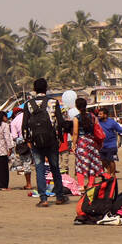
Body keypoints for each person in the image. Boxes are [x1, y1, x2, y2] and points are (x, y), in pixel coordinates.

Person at [22, 79, 70, 207]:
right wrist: (60, 139)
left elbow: (25, 124)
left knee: (39, 168)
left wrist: (28, 140)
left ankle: (43, 199)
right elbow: (60, 122)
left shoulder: (28, 104)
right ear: (46, 88)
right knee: (55, 168)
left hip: (36, 142)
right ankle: (59, 197)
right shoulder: (53, 102)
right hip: (52, 141)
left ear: (34, 89)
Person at [72, 97, 105, 183]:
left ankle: (81, 185)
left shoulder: (76, 118)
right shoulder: (93, 116)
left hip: (82, 142)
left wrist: (73, 144)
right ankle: (91, 184)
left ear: (76, 107)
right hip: (92, 142)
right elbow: (97, 128)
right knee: (92, 163)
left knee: (80, 164)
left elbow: (75, 133)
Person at [97, 107, 122, 177]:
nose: (99, 115)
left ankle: (113, 174)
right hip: (101, 145)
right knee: (102, 160)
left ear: (105, 115)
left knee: (111, 160)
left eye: (101, 114)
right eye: (99, 114)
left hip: (111, 145)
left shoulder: (112, 122)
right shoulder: (97, 121)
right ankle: (108, 170)